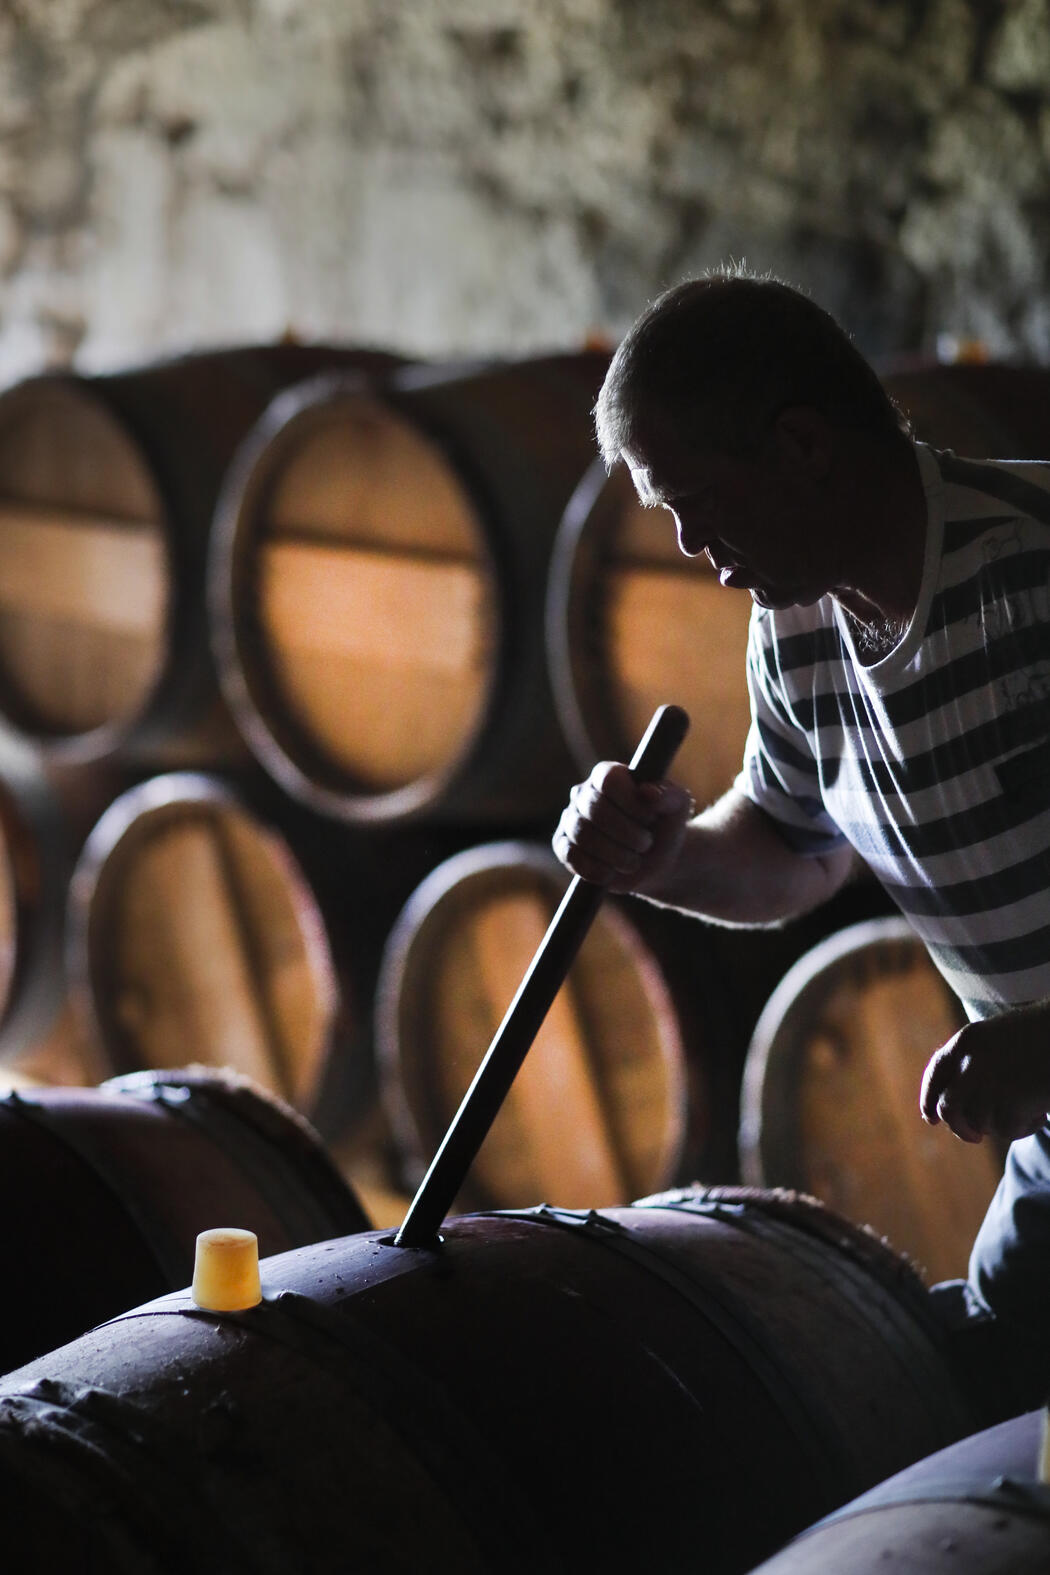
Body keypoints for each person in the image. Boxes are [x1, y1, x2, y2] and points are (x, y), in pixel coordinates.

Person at [553, 265, 1050, 1414]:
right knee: (940, 1408)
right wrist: (661, 854)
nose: (684, 543)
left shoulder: (1030, 570)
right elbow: (791, 852)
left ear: (803, 450)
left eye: (694, 500)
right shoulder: (798, 627)